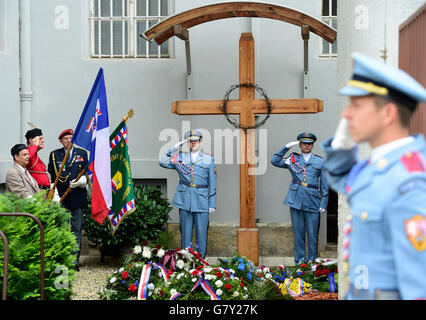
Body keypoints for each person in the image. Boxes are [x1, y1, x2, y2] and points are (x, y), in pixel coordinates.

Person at [321, 52, 426, 300]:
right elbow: (339, 178)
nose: (346, 114)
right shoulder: (379, 168)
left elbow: (419, 284)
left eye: (356, 105)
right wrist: (342, 143)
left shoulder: (408, 182)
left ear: (387, 114)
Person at [271, 132, 329, 265]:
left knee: (313, 234)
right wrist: (286, 147)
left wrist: (324, 202)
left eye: (309, 143)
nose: (307, 145)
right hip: (296, 199)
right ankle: (300, 263)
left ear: (313, 145)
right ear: (300, 145)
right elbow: (275, 161)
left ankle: (312, 262)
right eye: (304, 143)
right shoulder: (293, 159)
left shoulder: (320, 161)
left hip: (313, 200)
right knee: (298, 234)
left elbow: (325, 184)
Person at [159, 130, 216, 258]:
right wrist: (173, 149)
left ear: (200, 141)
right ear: (187, 143)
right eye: (190, 140)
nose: (193, 142)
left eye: (196, 140)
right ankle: (186, 261)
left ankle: (200, 262)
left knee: (202, 233)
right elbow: (162, 162)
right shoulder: (179, 157)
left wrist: (212, 203)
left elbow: (212, 182)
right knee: (185, 234)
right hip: (185, 200)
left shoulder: (208, 159)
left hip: (202, 200)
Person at [48, 129, 88, 269]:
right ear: (61, 140)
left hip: (77, 196)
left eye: (71, 138)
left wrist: (82, 181)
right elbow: (53, 177)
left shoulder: (82, 154)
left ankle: (74, 261)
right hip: (62, 197)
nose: (69, 140)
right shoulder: (55, 155)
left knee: (76, 229)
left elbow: (88, 174)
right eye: (66, 138)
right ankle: (63, 259)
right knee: (62, 228)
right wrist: (55, 195)